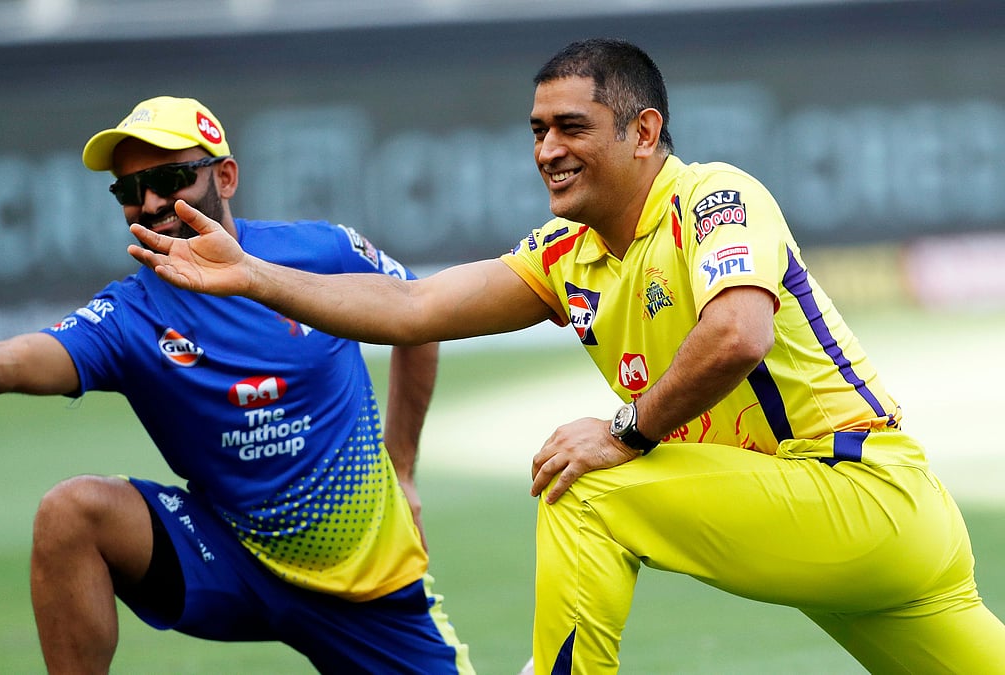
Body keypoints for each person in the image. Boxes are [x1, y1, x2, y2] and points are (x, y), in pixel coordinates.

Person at [126, 41, 1005, 674]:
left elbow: (740, 333)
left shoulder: (714, 197)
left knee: (585, 482)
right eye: (538, 129)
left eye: (572, 126)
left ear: (643, 130)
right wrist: (254, 276)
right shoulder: (563, 254)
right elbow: (412, 307)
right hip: (847, 528)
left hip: (862, 491)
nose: (547, 149)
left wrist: (623, 430)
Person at [0, 96, 476, 674]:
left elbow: (418, 320)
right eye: (129, 190)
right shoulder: (131, 315)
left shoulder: (321, 253)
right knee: (71, 513)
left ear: (226, 176)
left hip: (372, 593)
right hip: (231, 557)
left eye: (170, 178)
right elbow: (4, 362)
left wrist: (403, 464)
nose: (150, 202)